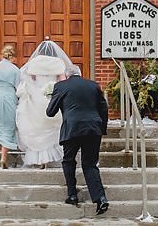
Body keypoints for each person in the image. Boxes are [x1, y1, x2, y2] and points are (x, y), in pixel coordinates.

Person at [45, 65, 110, 215]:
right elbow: (104, 108)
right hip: (93, 129)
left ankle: (72, 194)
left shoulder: (61, 86)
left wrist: (56, 99)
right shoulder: (93, 85)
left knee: (68, 160)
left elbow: (50, 112)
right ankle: (100, 198)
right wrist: (102, 128)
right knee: (90, 164)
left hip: (72, 128)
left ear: (67, 76)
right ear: (80, 74)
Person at [15, 39, 73, 167]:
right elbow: (63, 80)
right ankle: (50, 158)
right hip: (52, 97)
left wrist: (34, 88)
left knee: (36, 128)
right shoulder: (58, 62)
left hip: (36, 98)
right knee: (52, 128)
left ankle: (40, 159)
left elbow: (27, 77)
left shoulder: (35, 63)